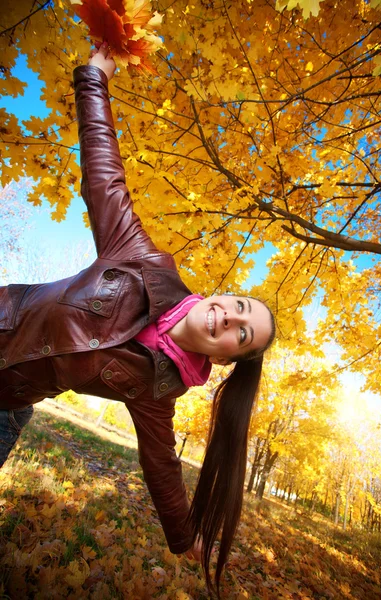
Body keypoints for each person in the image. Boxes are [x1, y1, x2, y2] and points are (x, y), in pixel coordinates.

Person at [0, 44, 275, 593]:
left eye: (242, 335)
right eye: (240, 307)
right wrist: (93, 78)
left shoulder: (158, 389)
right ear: (223, 295)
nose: (230, 320)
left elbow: (162, 470)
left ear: (225, 358)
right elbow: (105, 179)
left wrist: (183, 538)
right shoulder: (144, 263)